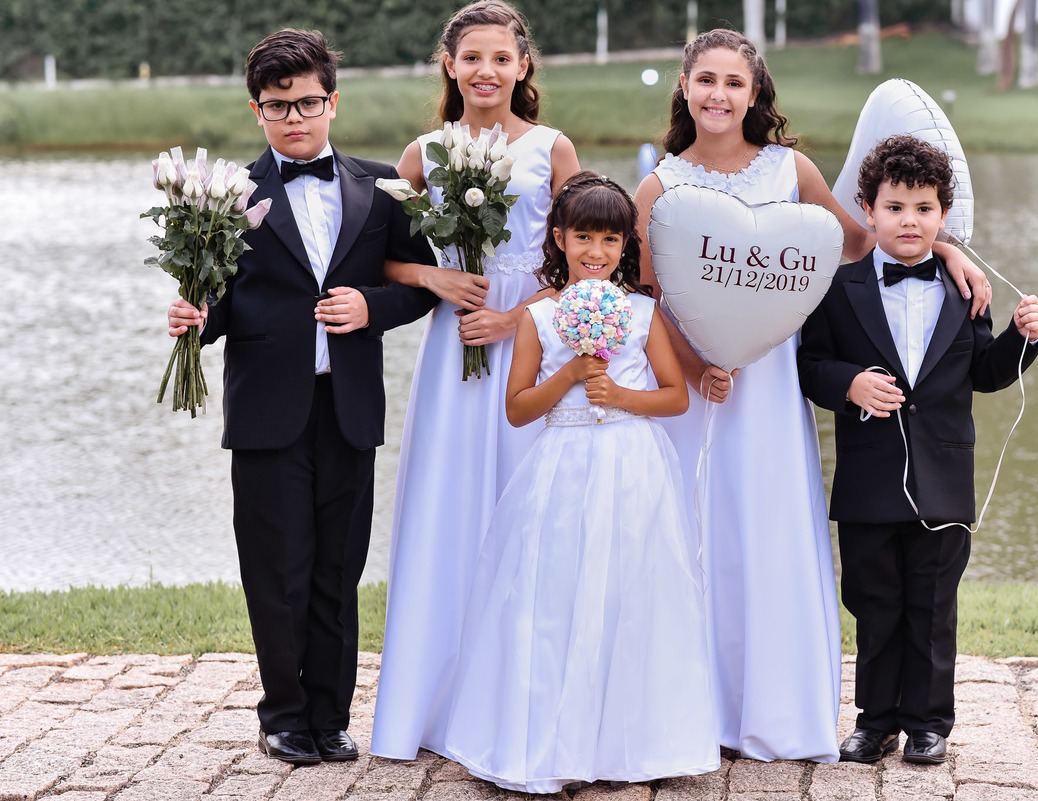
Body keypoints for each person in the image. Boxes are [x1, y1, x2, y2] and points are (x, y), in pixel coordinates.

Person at [631, 29, 992, 763]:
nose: (720, 95)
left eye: (735, 82)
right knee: (697, 537)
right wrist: (695, 365)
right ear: (685, 87)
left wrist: (946, 245)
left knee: (767, 535)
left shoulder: (791, 171)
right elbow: (643, 296)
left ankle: (774, 713)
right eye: (706, 80)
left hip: (768, 390)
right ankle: (689, 711)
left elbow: (863, 242)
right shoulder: (659, 186)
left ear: (756, 93)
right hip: (696, 387)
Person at [164, 30, 437, 764]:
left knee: (337, 569)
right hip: (266, 409)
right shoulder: (225, 194)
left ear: (332, 102)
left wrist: (371, 308)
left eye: (308, 102)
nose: (295, 117)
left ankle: (330, 713)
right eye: (278, 106)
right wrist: (197, 317)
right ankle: (282, 713)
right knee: (276, 568)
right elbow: (218, 302)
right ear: (258, 110)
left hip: (348, 407)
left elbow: (421, 288)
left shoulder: (381, 190)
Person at [441, 171, 718, 792]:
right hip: (562, 463)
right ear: (560, 238)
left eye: (610, 241)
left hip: (633, 466)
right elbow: (517, 408)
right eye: (584, 237)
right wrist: (568, 377)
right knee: (555, 593)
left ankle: (626, 747)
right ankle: (550, 745)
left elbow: (675, 398)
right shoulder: (538, 313)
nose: (596, 252)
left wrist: (620, 393)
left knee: (632, 593)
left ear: (627, 248)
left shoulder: (645, 313)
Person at [372, 0, 581, 761]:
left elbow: (590, 262)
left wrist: (518, 314)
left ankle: (530, 700)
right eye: (472, 58)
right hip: (453, 354)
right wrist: (435, 274)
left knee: (532, 509)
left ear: (523, 67)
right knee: (451, 507)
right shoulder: (423, 155)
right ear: (450, 66)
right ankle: (437, 706)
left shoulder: (553, 149)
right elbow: (382, 262)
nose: (486, 71)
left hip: (533, 349)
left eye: (501, 58)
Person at [797, 134, 1038, 765]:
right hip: (867, 482)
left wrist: (1024, 339)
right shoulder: (838, 286)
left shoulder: (969, 293)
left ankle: (929, 722)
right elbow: (807, 366)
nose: (910, 221)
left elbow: (985, 374)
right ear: (868, 209)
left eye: (924, 209)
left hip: (944, 476)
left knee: (934, 608)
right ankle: (873, 720)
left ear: (943, 217)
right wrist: (848, 382)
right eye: (896, 207)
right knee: (874, 604)